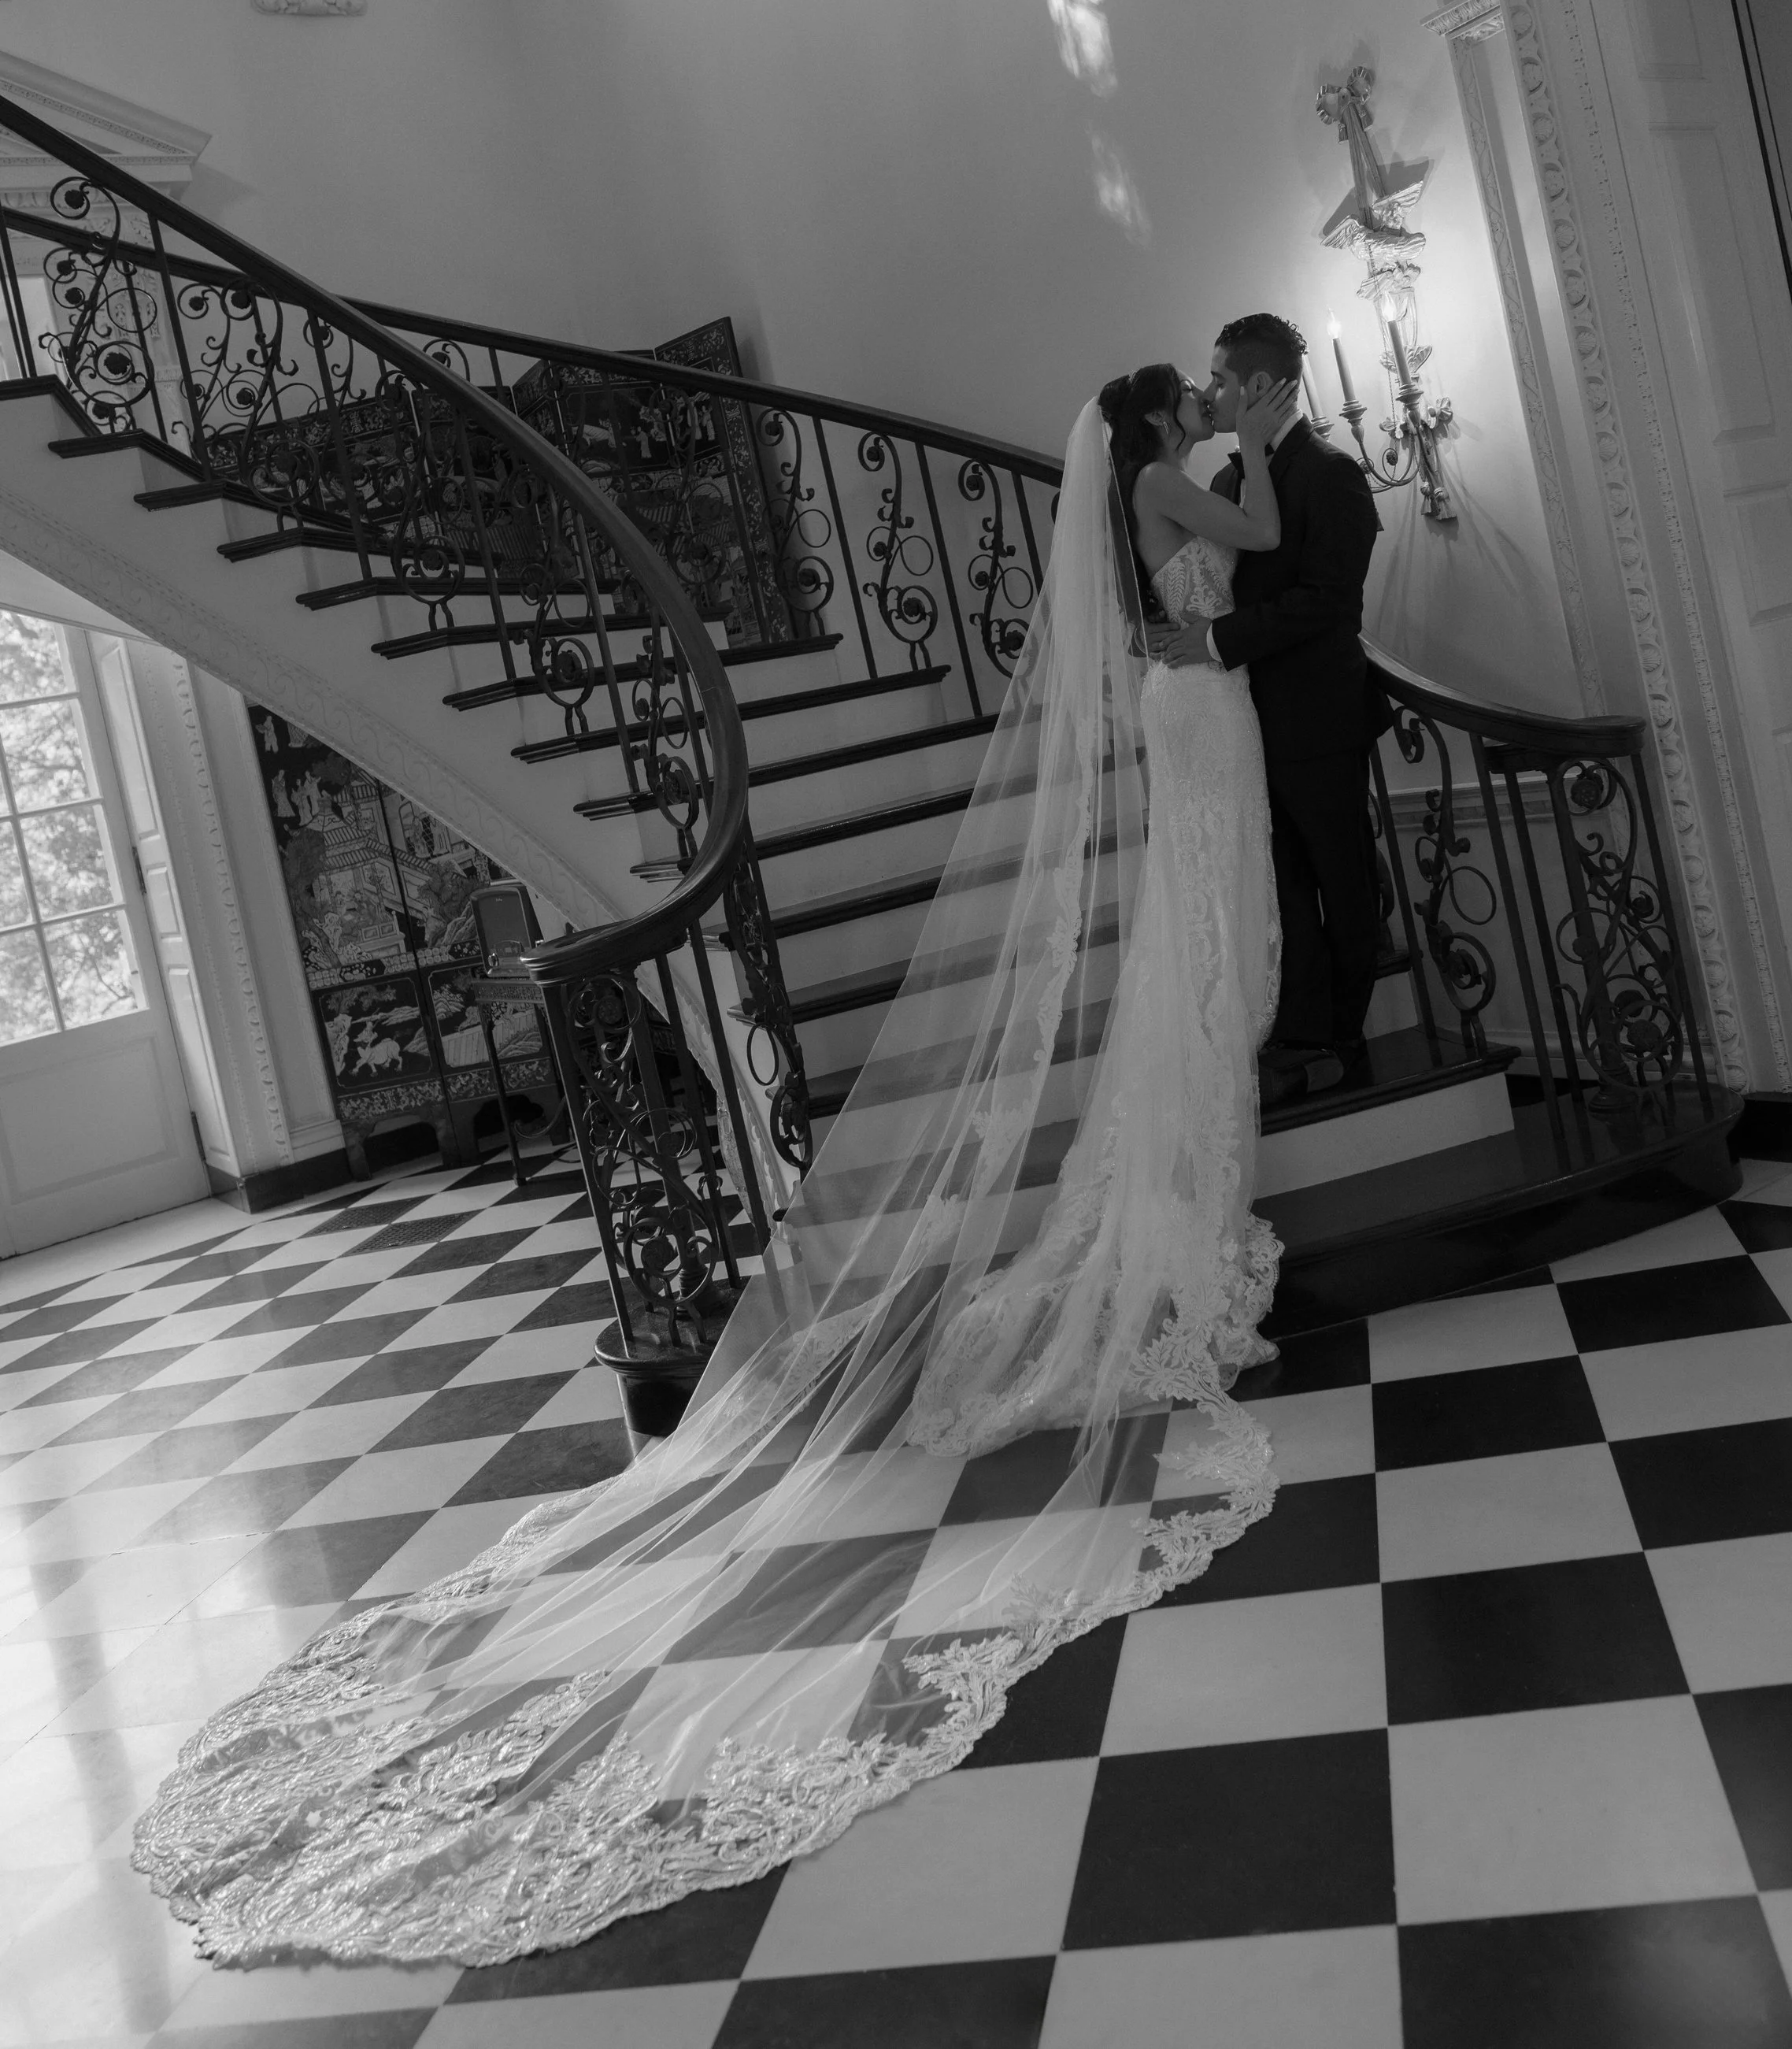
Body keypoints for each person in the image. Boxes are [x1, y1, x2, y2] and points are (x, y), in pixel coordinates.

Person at [133, 369, 1303, 1969]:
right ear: (1167, 417)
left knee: (1196, 943)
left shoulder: (1137, 494)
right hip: (1190, 714)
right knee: (1190, 942)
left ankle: (1186, 1156)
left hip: (1187, 710)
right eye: (1191, 402)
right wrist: (1255, 466)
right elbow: (1247, 538)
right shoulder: (1181, 483)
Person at [1161, 314, 1388, 1107]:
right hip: (1246, 721)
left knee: (1344, 877)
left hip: (1318, 718)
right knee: (1284, 885)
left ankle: (1345, 1034)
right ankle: (1300, 1029)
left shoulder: (1331, 474)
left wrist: (1221, 640)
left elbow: (1328, 603)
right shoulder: (1230, 481)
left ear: (1258, 385)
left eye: (1219, 378)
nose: (1210, 391)